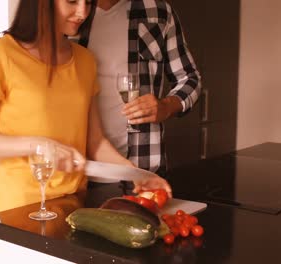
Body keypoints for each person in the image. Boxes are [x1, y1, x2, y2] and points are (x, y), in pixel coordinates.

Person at [0, 0, 171, 217]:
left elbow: (95, 142)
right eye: (72, 1)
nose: (83, 12)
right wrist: (39, 145)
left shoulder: (84, 60)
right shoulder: (1, 53)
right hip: (19, 210)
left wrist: (135, 173)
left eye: (88, 2)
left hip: (74, 207)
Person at [76, 0, 202, 178]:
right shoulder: (68, 14)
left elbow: (190, 78)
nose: (80, 9)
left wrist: (166, 106)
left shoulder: (158, 11)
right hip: (81, 170)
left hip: (144, 166)